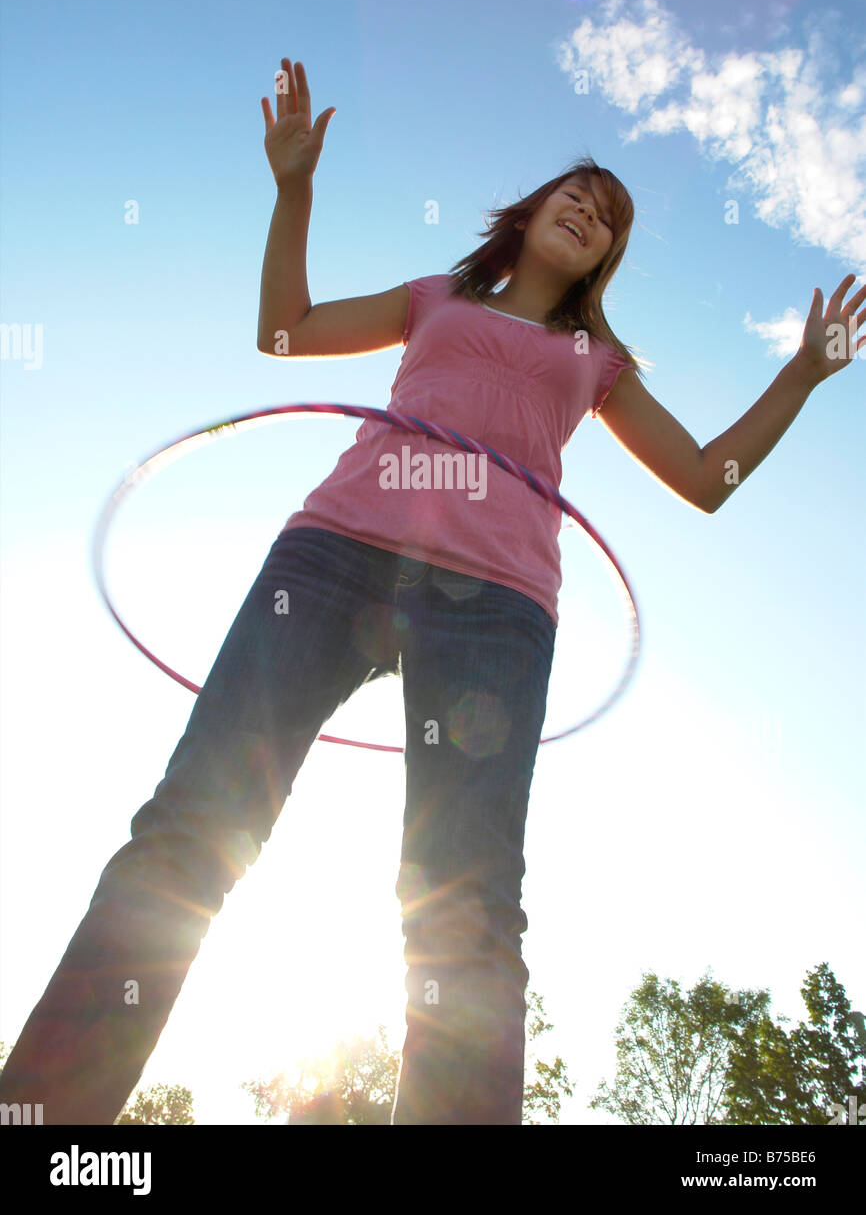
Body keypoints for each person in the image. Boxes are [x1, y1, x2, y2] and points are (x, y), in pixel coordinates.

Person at [0, 60, 861, 1127]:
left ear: (609, 257)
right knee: (190, 827)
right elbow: (284, 333)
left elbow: (702, 483)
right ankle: (41, 1119)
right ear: (530, 212)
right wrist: (293, 191)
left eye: (607, 217)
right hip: (332, 556)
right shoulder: (436, 298)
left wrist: (800, 371)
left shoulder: (597, 358)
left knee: (466, 902)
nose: (588, 211)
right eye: (573, 194)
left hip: (496, 606)